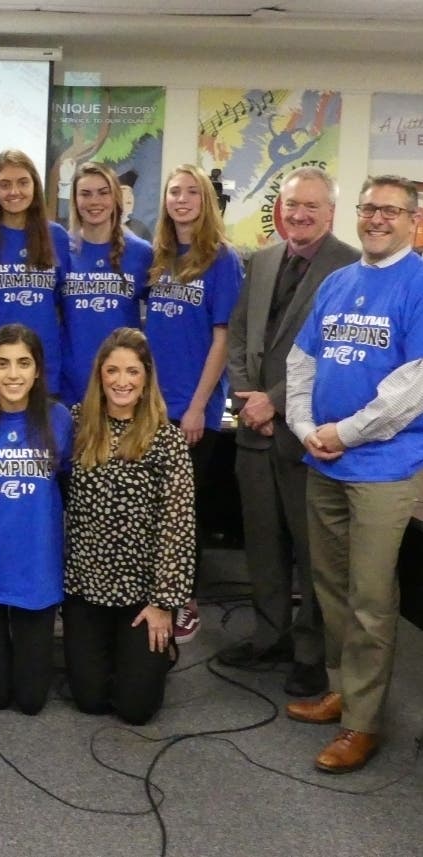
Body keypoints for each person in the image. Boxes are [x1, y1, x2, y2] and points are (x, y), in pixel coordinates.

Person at [284, 175, 423, 774]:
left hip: (383, 470)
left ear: (413, 219)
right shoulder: (338, 283)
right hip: (324, 461)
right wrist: (304, 427)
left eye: (390, 211)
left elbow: (413, 385)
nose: (376, 219)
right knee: (331, 588)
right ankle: (347, 692)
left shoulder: (418, 282)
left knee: (370, 597)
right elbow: (300, 361)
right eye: (369, 209)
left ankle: (363, 724)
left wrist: (345, 433)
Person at [223, 167, 359, 697]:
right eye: (290, 205)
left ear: (330, 213)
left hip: (307, 436)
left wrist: (273, 402)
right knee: (261, 544)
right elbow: (238, 332)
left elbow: (334, 354)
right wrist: (244, 393)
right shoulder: (260, 260)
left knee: (312, 552)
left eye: (311, 207)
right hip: (252, 431)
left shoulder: (348, 266)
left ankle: (309, 652)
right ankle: (269, 637)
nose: (298, 215)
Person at [63, 327, 194, 725]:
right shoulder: (75, 424)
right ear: (99, 375)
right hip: (86, 586)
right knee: (90, 700)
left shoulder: (167, 438)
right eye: (113, 371)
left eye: (133, 372)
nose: (122, 381)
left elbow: (179, 525)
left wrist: (163, 604)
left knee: (136, 710)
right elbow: (21, 419)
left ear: (146, 378)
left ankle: (158, 653)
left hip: (142, 595)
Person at [146, 163, 243, 642]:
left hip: (191, 407)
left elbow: (223, 339)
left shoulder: (221, 259)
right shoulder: (161, 256)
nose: (181, 200)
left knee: (185, 513)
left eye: (190, 192)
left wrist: (199, 406)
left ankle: (185, 600)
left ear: (205, 200)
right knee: (153, 508)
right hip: (152, 408)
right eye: (173, 192)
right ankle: (153, 594)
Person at [0, 324, 72, 714]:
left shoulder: (59, 419)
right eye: (2, 363)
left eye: (24, 363)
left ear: (38, 370)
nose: (13, 374)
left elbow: (71, 481)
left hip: (36, 570)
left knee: (30, 701)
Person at [0, 149, 69, 395]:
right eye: (5, 184)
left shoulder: (57, 237)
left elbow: (59, 304)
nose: (14, 192)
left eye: (23, 182)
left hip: (44, 370)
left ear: (35, 185)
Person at [60, 162, 152, 405]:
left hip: (122, 389)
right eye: (86, 194)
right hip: (70, 387)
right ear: (75, 199)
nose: (94, 201)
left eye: (103, 192)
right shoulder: (59, 250)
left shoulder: (141, 254)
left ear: (116, 197)